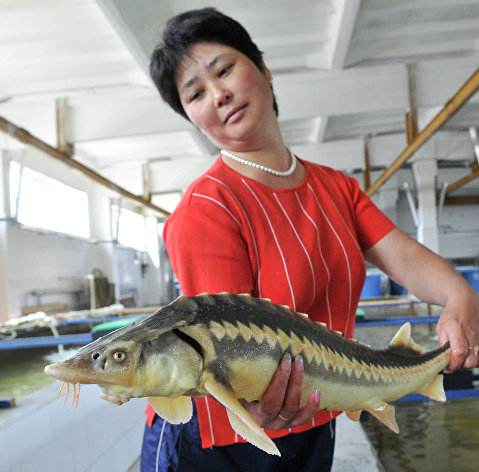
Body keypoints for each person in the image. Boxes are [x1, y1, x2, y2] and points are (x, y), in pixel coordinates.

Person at [141, 7, 479, 472]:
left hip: (314, 412)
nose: (218, 95)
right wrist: (254, 408)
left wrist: (460, 295)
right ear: (192, 118)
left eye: (224, 70)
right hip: (218, 437)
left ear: (264, 69)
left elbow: (403, 256)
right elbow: (217, 355)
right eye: (195, 93)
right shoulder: (208, 206)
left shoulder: (334, 187)